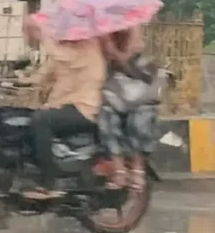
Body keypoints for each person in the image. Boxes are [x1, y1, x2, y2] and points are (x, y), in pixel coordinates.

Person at [24, 16, 107, 200]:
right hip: (67, 105)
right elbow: (43, 74)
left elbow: (61, 56)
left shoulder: (88, 47)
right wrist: (15, 82)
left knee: (41, 121)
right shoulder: (66, 49)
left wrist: (43, 34)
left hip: (85, 109)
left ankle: (49, 183)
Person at [98, 26, 157, 191]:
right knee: (106, 119)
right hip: (115, 86)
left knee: (139, 120)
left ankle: (138, 169)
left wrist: (111, 48)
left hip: (138, 82)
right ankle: (119, 169)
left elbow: (127, 58)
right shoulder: (104, 29)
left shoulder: (133, 27)